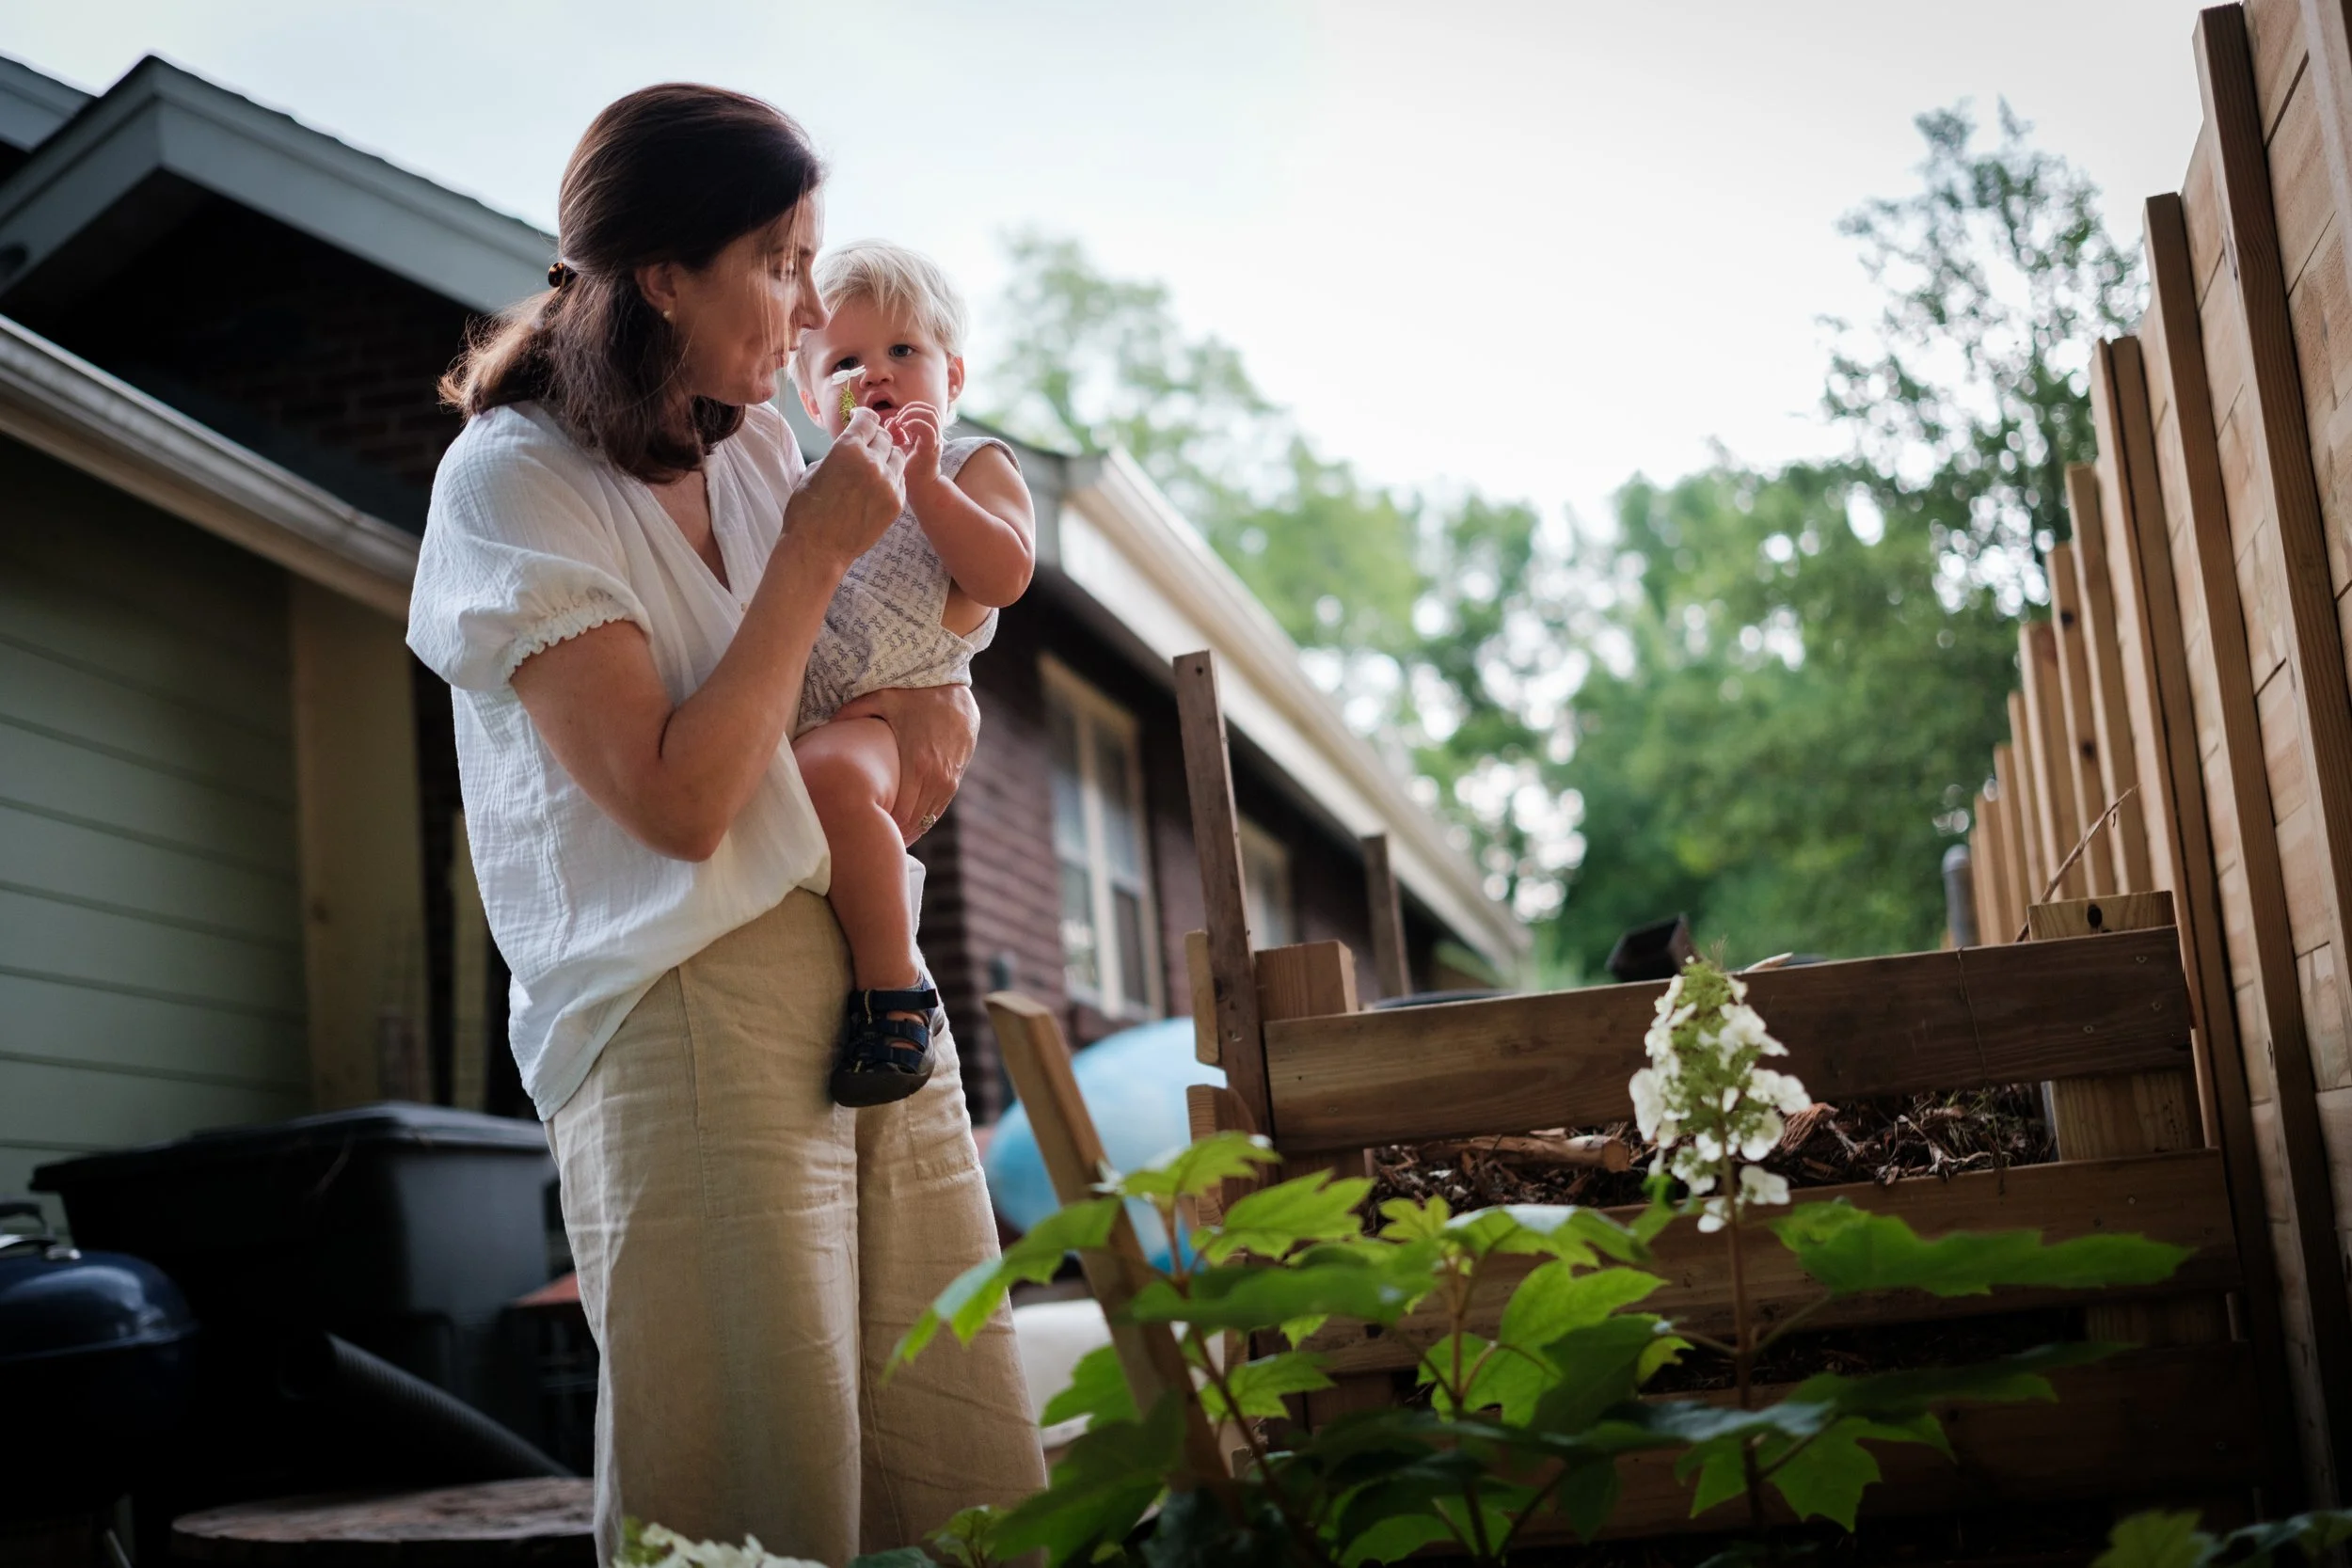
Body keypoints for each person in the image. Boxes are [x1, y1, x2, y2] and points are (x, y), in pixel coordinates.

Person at [404, 85, 1046, 1565]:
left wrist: (934, 708)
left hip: (873, 986)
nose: (811, 305)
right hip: (688, 1010)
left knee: (955, 1448)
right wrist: (814, 559)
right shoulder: (514, 486)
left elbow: (919, 643)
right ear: (663, 278)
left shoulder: (754, 438)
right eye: (778, 262)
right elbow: (685, 802)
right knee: (760, 1483)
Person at [787, 242, 1034, 1107]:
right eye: (846, 362)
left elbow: (1004, 575)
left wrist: (925, 480)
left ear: (953, 375)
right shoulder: (810, 488)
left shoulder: (972, 465)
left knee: (831, 776)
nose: (877, 375)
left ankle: (896, 992)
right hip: (825, 716)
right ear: (812, 398)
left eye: (903, 352)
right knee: (821, 779)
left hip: (896, 716)